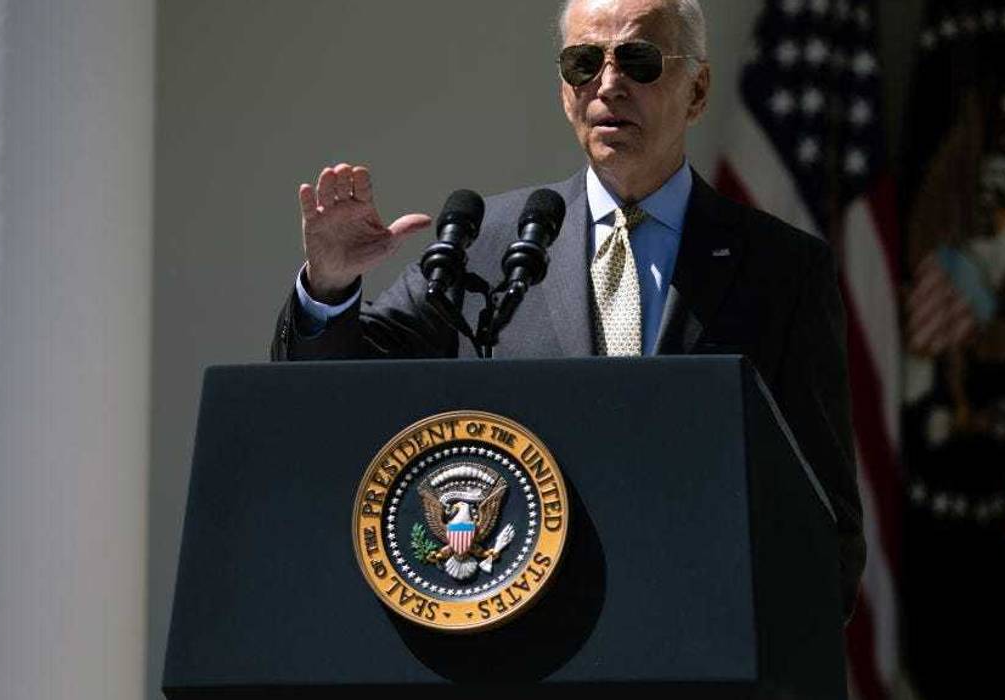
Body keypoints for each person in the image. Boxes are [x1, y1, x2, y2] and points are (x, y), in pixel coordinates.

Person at [270, 0, 864, 620]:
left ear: (697, 90)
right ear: (564, 89)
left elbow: (826, 520)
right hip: (522, 639)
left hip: (704, 638)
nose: (608, 84)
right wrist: (331, 284)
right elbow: (335, 391)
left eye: (638, 60)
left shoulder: (783, 268)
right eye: (584, 62)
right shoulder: (487, 240)